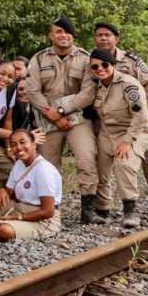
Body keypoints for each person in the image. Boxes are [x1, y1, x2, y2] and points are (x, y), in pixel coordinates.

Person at [55, 48, 148, 228]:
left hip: (133, 132)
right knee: (100, 170)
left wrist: (127, 141)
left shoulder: (128, 85)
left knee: (123, 165)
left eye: (104, 64)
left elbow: (140, 117)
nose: (100, 69)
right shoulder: (97, 86)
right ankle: (103, 209)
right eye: (95, 67)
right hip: (107, 134)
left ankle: (130, 210)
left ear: (113, 64)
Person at [25, 17, 101, 222]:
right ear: (51, 35)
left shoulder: (85, 58)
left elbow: (88, 92)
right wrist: (51, 114)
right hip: (47, 119)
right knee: (48, 166)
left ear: (73, 36)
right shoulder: (39, 59)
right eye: (58, 31)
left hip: (77, 119)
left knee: (86, 159)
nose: (63, 36)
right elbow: (32, 90)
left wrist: (61, 110)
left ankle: (88, 210)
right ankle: (52, 210)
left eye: (67, 32)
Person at [94, 22, 148, 214]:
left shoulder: (131, 60)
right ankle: (106, 207)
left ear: (116, 38)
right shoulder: (93, 62)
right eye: (99, 35)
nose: (103, 38)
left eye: (107, 35)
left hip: (137, 120)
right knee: (109, 166)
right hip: (109, 123)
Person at [0, 129, 62, 242]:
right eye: (14, 145)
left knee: (2, 230)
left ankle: (5, 226)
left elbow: (48, 211)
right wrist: (2, 190)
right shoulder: (19, 163)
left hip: (43, 219)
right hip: (21, 207)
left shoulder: (43, 170)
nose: (18, 147)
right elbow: (8, 190)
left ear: (34, 144)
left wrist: (17, 218)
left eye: (23, 142)